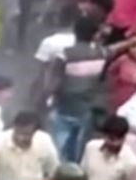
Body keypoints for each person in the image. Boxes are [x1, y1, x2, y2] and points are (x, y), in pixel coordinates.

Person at [42, 15, 105, 162]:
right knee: (78, 150)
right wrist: (129, 42)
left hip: (64, 109)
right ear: (95, 35)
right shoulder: (101, 54)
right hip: (85, 109)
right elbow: (114, 49)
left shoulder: (64, 55)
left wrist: (46, 98)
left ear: (75, 32)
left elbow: (52, 83)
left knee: (58, 148)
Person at [104, 36, 136, 113]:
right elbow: (111, 72)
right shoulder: (123, 59)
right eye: (133, 47)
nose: (135, 50)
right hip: (120, 98)